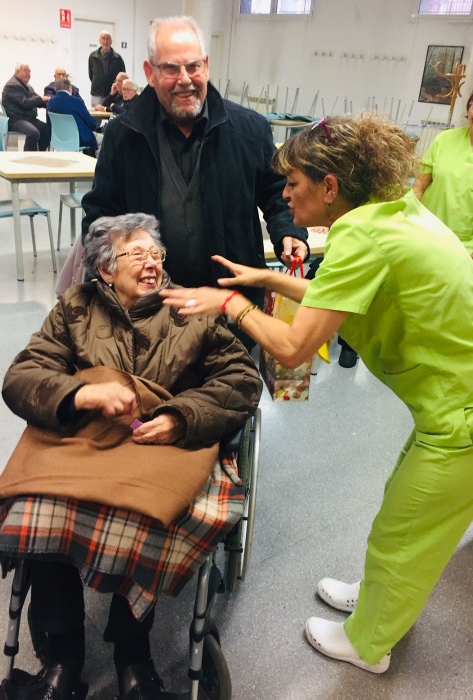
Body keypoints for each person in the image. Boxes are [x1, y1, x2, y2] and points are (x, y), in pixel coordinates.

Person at [161, 114, 473, 674]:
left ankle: (369, 644)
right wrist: (266, 278)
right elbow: (338, 292)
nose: (284, 195)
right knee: (402, 506)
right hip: (452, 407)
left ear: (330, 186)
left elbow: (293, 347)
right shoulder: (393, 212)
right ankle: (380, 598)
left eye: (293, 183)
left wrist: (231, 304)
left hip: (462, 418)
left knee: (407, 529)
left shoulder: (362, 236)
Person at [0, 212, 261, 700]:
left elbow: (241, 380)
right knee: (37, 508)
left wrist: (181, 415)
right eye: (136, 254)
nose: (152, 263)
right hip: (87, 440)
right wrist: (81, 393)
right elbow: (22, 377)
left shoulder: (193, 309)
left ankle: (133, 655)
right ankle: (63, 655)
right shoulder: (75, 308)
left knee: (150, 519)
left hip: (160, 443)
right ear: (105, 270)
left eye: (156, 253)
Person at [80, 15, 308, 320]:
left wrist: (289, 231)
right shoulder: (124, 135)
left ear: (207, 66)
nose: (185, 79)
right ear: (149, 73)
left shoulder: (250, 130)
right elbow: (101, 213)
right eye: (171, 68)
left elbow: (277, 190)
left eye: (193, 66)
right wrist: (105, 277)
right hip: (151, 313)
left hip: (232, 309)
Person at [413, 91, 473, 254]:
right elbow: (420, 185)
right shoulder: (445, 139)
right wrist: (409, 219)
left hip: (464, 248)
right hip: (425, 232)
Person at [2, 63, 50, 151]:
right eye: (25, 71)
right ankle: (29, 157)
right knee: (33, 133)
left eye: (29, 72)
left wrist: (50, 103)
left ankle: (39, 154)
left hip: (29, 119)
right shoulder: (12, 85)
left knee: (48, 130)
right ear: (17, 71)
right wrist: (41, 98)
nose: (28, 74)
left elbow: (36, 100)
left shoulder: (27, 86)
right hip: (16, 120)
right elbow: (25, 103)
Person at [47, 78, 98, 156]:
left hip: (58, 140)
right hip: (80, 140)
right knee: (103, 139)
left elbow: (49, 125)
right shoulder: (77, 101)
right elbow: (92, 124)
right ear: (69, 88)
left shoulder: (50, 103)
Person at [89, 30, 126, 106]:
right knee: (96, 113)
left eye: (108, 39)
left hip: (113, 94)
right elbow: (91, 75)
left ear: (111, 41)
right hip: (97, 94)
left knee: (111, 112)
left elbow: (123, 76)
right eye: (103, 38)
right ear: (99, 41)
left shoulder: (118, 58)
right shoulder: (92, 56)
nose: (106, 41)